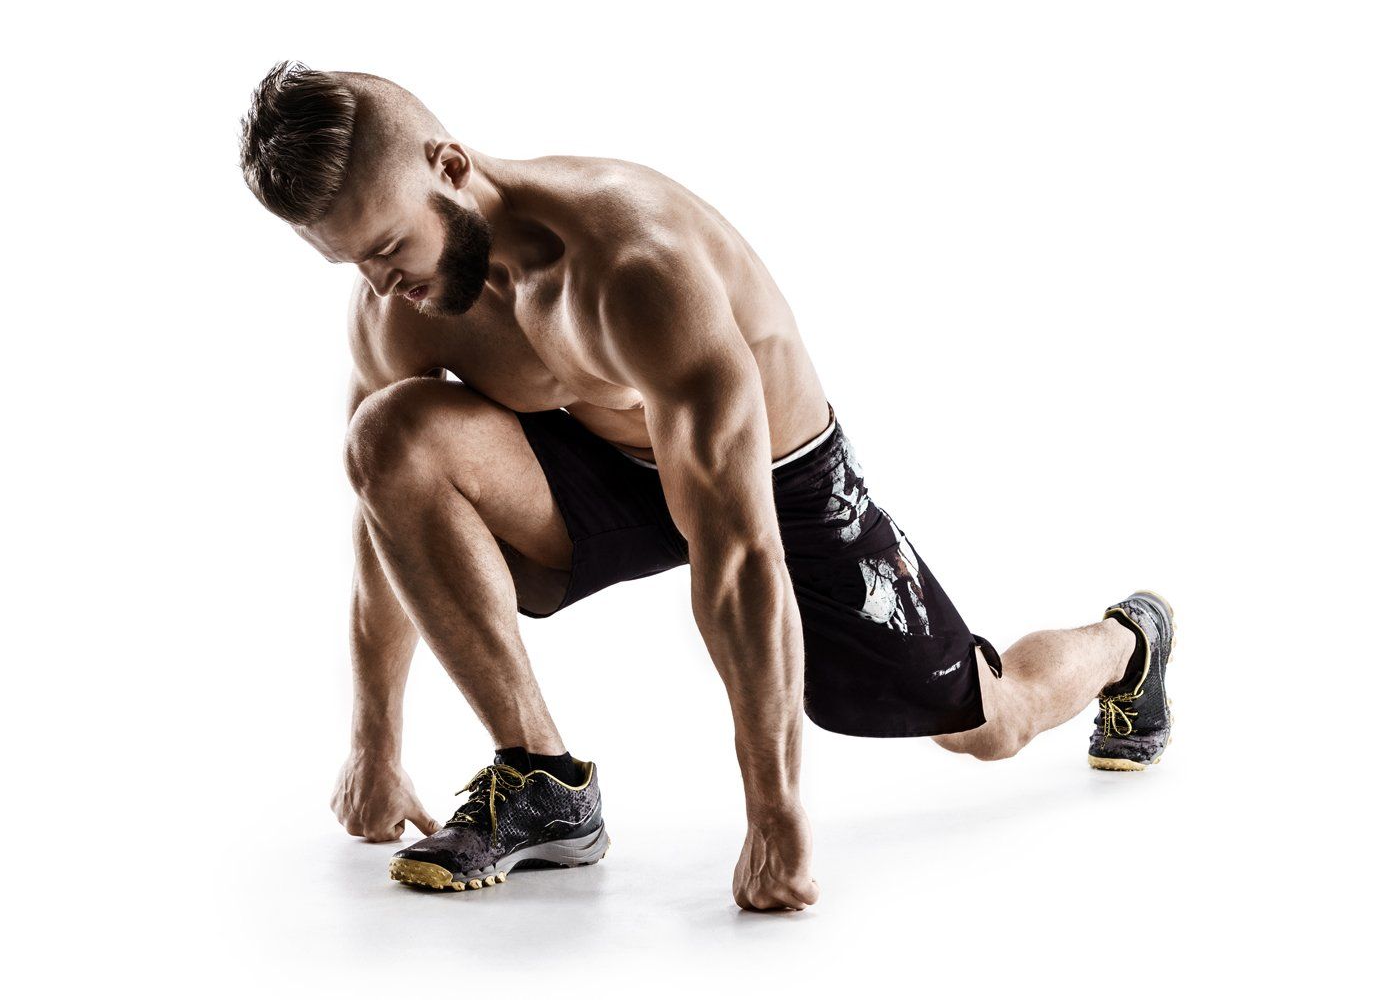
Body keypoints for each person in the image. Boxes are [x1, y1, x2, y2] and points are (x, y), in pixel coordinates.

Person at [238, 62, 1176, 911]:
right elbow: (383, 512)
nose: (379, 281)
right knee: (388, 434)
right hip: (609, 470)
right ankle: (542, 780)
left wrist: (773, 813)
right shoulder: (401, 311)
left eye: (389, 245)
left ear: (447, 164)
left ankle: (1126, 643)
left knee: (989, 722)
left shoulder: (635, 266)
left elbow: (736, 549)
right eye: (352, 260)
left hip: (778, 479)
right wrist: (374, 739)